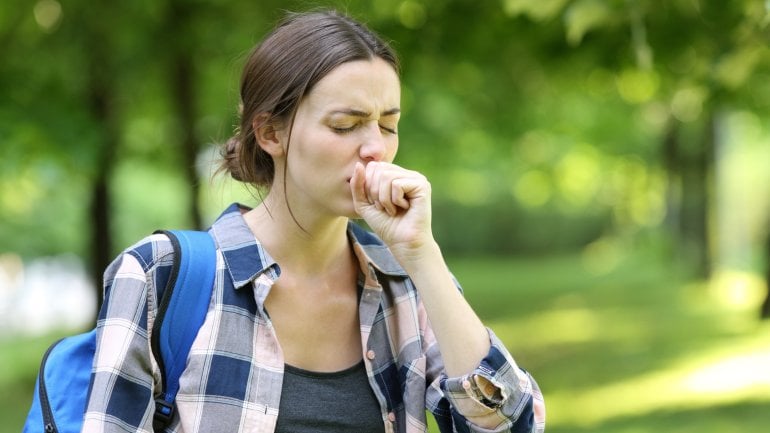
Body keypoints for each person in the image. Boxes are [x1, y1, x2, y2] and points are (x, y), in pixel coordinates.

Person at [83, 9, 545, 433]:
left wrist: (424, 257)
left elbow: (511, 426)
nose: (375, 149)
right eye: (346, 124)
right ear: (270, 133)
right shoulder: (156, 275)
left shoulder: (405, 282)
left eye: (388, 125)